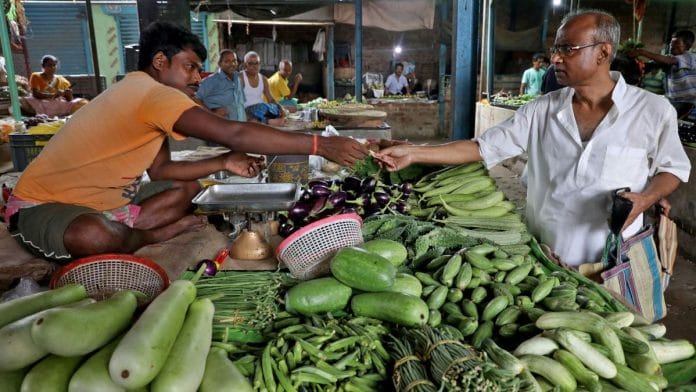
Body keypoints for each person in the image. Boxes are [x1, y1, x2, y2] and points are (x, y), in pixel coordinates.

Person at [6, 21, 367, 261]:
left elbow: (161, 169)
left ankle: (127, 228)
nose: (197, 77)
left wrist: (226, 162)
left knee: (187, 188)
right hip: (45, 205)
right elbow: (234, 132)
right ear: (160, 61)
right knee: (94, 238)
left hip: (108, 203)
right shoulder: (152, 93)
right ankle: (145, 237)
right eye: (190, 66)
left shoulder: (144, 93)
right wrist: (320, 145)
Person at [375, 9, 690, 267]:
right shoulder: (541, 111)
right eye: (556, 49)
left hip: (616, 257)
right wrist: (414, 152)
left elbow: (672, 169)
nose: (556, 58)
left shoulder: (652, 110)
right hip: (547, 253)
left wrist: (646, 199)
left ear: (603, 53)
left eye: (568, 49)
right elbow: (481, 148)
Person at [628, 30, 696, 117]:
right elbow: (652, 64)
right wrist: (638, 63)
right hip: (673, 100)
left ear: (687, 46)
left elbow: (668, 61)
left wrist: (642, 52)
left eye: (676, 43)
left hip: (688, 102)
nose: (672, 45)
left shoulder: (690, 57)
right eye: (671, 42)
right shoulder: (669, 58)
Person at [19, 55, 89, 117]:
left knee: (83, 103)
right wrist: (53, 95)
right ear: (43, 66)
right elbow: (36, 94)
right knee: (22, 101)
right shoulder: (36, 76)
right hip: (40, 102)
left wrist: (68, 94)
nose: (52, 68)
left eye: (54, 65)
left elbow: (69, 99)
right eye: (49, 65)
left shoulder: (62, 80)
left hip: (57, 103)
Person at [195, 49, 246, 121]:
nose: (232, 64)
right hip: (221, 126)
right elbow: (196, 99)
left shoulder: (238, 78)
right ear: (219, 64)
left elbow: (240, 104)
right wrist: (212, 113)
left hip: (240, 125)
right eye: (227, 61)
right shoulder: (211, 80)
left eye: (234, 61)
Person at [240, 51, 286, 126]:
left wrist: (280, 108)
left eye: (256, 63)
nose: (254, 66)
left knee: (274, 108)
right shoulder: (241, 77)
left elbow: (270, 99)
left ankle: (269, 120)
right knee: (255, 115)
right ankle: (269, 122)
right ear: (245, 65)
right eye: (250, 63)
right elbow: (237, 101)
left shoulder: (263, 79)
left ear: (260, 64)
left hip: (261, 109)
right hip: (246, 110)